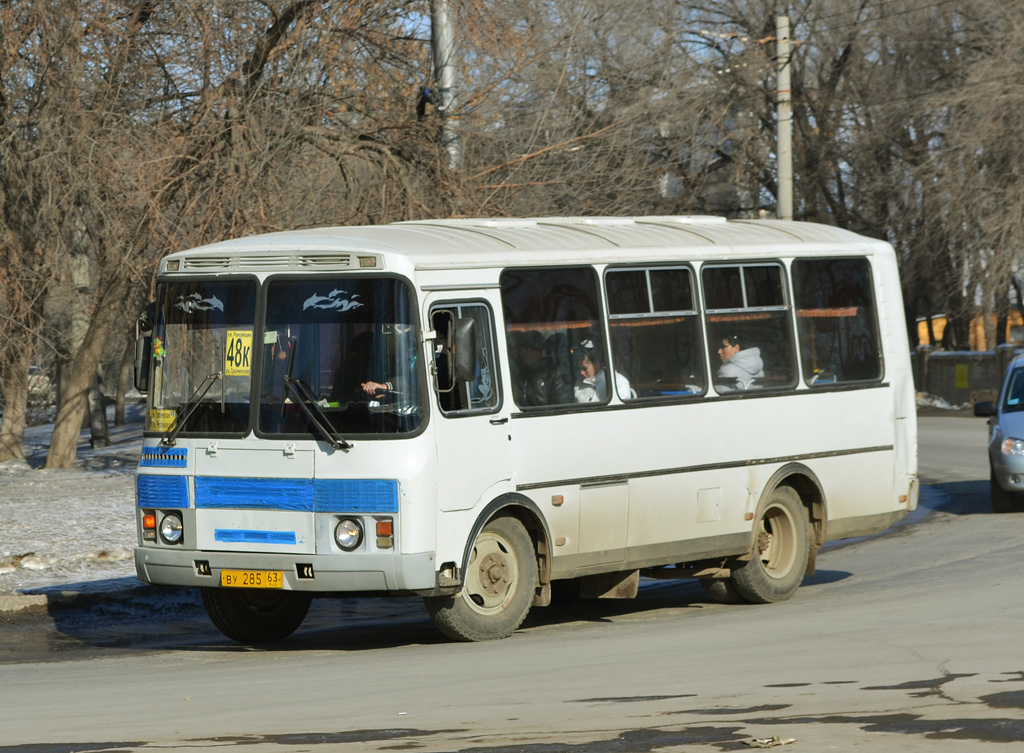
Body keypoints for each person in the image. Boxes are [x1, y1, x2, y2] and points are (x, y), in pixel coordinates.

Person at [511, 331, 574, 407]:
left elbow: (561, 406)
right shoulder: (522, 375)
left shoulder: (554, 375)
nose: (523, 353)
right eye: (522, 349)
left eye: (527, 350)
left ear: (538, 351)